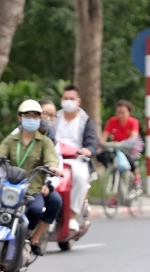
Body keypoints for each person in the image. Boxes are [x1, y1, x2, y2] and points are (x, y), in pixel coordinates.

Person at [0, 100, 62, 256]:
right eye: (27, 115)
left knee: (36, 209)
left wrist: (53, 168)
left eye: (35, 116)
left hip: (32, 187)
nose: (31, 119)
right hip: (10, 185)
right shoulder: (12, 139)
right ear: (20, 117)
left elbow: (53, 158)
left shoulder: (45, 141)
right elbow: (0, 151)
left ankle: (29, 236)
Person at [49, 84, 98, 232]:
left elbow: (91, 141)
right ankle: (49, 214)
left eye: (72, 98)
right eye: (65, 98)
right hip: (55, 158)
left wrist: (88, 150)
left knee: (81, 178)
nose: (68, 101)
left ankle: (72, 216)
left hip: (77, 160)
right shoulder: (55, 117)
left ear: (78, 101)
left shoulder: (85, 120)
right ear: (61, 99)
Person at [99, 99, 143, 187]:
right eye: (118, 112)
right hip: (116, 147)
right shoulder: (112, 121)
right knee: (100, 155)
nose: (120, 115)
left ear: (129, 112)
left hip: (131, 147)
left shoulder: (133, 122)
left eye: (123, 112)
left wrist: (123, 144)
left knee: (129, 158)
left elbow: (134, 137)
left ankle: (136, 176)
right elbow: (103, 138)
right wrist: (102, 144)